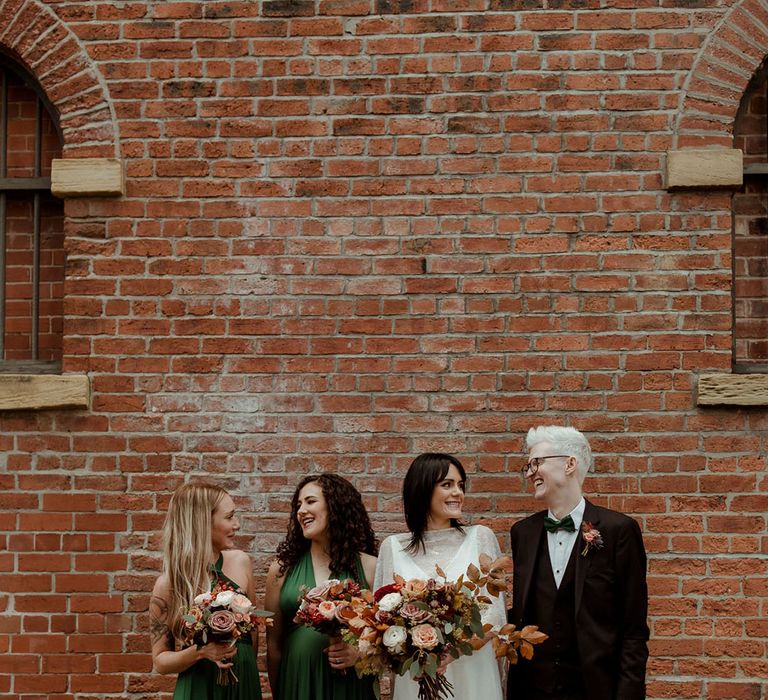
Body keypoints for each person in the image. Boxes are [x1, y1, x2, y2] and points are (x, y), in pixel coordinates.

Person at [508, 425, 649, 700]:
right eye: (528, 465)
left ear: (570, 464)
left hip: (596, 689)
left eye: (536, 462)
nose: (529, 472)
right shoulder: (522, 533)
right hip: (533, 690)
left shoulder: (619, 530)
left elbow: (633, 630)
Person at [374, 453, 506, 700]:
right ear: (423, 489)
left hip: (472, 673)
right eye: (447, 485)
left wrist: (451, 653)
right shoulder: (392, 548)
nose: (458, 492)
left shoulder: (480, 537)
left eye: (460, 485)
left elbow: (495, 617)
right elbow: (382, 622)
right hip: (417, 678)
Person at [265, 473, 378, 700]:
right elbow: (273, 645)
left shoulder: (370, 566)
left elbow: (386, 639)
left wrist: (360, 653)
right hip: (298, 681)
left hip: (351, 686)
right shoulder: (281, 570)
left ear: (335, 506)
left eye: (310, 501)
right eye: (298, 505)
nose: (301, 511)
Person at [149, 481, 261, 700]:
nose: (236, 524)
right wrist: (200, 652)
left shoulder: (241, 563)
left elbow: (254, 636)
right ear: (203, 523)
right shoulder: (169, 584)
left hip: (243, 684)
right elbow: (160, 661)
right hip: (198, 688)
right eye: (229, 517)